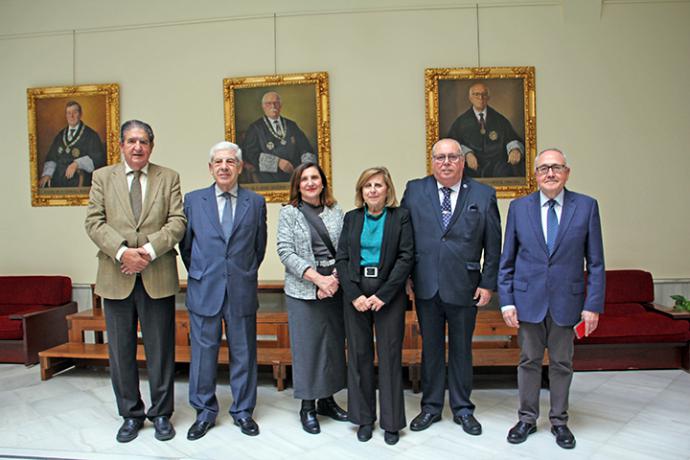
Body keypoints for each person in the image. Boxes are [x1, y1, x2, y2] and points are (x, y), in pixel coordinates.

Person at [84, 120, 186, 443]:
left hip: (156, 273)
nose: (138, 147)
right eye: (131, 141)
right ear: (121, 145)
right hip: (116, 276)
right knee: (121, 350)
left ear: (151, 146)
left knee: (160, 350)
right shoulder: (102, 177)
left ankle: (161, 414)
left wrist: (148, 251)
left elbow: (177, 222)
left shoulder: (168, 177)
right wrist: (122, 252)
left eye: (143, 141)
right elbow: (94, 222)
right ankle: (130, 414)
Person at [498, 148, 605, 450]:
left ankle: (559, 421)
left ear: (566, 172)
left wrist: (592, 305)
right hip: (527, 301)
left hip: (567, 303)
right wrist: (507, 301)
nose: (550, 173)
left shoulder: (585, 207)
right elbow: (507, 260)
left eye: (556, 167)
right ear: (535, 174)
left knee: (561, 363)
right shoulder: (519, 208)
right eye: (544, 168)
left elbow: (595, 262)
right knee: (528, 361)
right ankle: (527, 419)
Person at [401, 138, 501, 436]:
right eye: (440, 157)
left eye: (452, 157)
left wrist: (488, 282)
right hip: (425, 285)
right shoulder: (415, 189)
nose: (446, 162)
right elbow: (404, 237)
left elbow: (493, 244)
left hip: (465, 286)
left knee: (461, 350)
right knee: (430, 349)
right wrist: (406, 276)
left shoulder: (483, 194)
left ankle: (462, 409)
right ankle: (430, 407)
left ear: (462, 161)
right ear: (432, 161)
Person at [179, 141, 267, 440]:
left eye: (230, 161)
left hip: (241, 287)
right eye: (218, 162)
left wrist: (240, 272)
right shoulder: (193, 201)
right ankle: (204, 412)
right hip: (205, 288)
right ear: (210, 167)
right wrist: (204, 272)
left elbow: (259, 247)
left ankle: (243, 412)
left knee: (244, 353)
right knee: (204, 354)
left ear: (240, 167)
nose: (224, 167)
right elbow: (187, 247)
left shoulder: (255, 203)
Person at [336, 167, 414, 445]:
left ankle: (391, 422)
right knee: (359, 356)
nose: (372, 190)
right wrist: (354, 294)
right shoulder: (352, 218)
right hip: (356, 293)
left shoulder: (400, 217)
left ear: (387, 190)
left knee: (390, 356)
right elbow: (342, 258)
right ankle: (364, 419)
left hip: (388, 294)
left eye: (378, 185)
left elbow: (406, 257)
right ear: (361, 191)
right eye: (367, 185)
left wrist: (384, 294)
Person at [276, 162, 348, 435]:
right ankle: (307, 405)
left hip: (335, 287)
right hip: (303, 290)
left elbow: (346, 247)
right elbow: (285, 252)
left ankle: (327, 401)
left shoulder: (335, 211)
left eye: (314, 177)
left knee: (331, 346)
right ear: (297, 184)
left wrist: (334, 281)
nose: (309, 183)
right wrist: (317, 280)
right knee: (308, 349)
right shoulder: (289, 214)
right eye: (304, 179)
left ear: (322, 182)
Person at [447, 82, 525, 178]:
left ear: (488, 97)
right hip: (471, 166)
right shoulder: (460, 122)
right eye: (476, 94)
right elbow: (450, 144)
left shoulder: (499, 119)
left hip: (497, 166)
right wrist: (466, 153)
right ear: (470, 98)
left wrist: (515, 149)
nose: (481, 98)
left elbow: (511, 138)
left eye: (484, 94)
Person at [241, 91, 317, 183]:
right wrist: (277, 162)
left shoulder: (291, 125)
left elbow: (306, 148)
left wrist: (306, 169)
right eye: (269, 103)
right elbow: (250, 154)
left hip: (296, 175)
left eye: (276, 103)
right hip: (269, 177)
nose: (273, 106)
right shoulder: (255, 128)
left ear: (280, 106)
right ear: (263, 107)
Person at [40, 100, 106, 188]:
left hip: (79, 179)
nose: (71, 116)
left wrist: (77, 164)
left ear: (80, 114)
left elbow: (98, 159)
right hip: (58, 179)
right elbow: (52, 157)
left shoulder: (91, 135)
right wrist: (47, 174)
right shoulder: (60, 136)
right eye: (68, 113)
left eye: (75, 112)